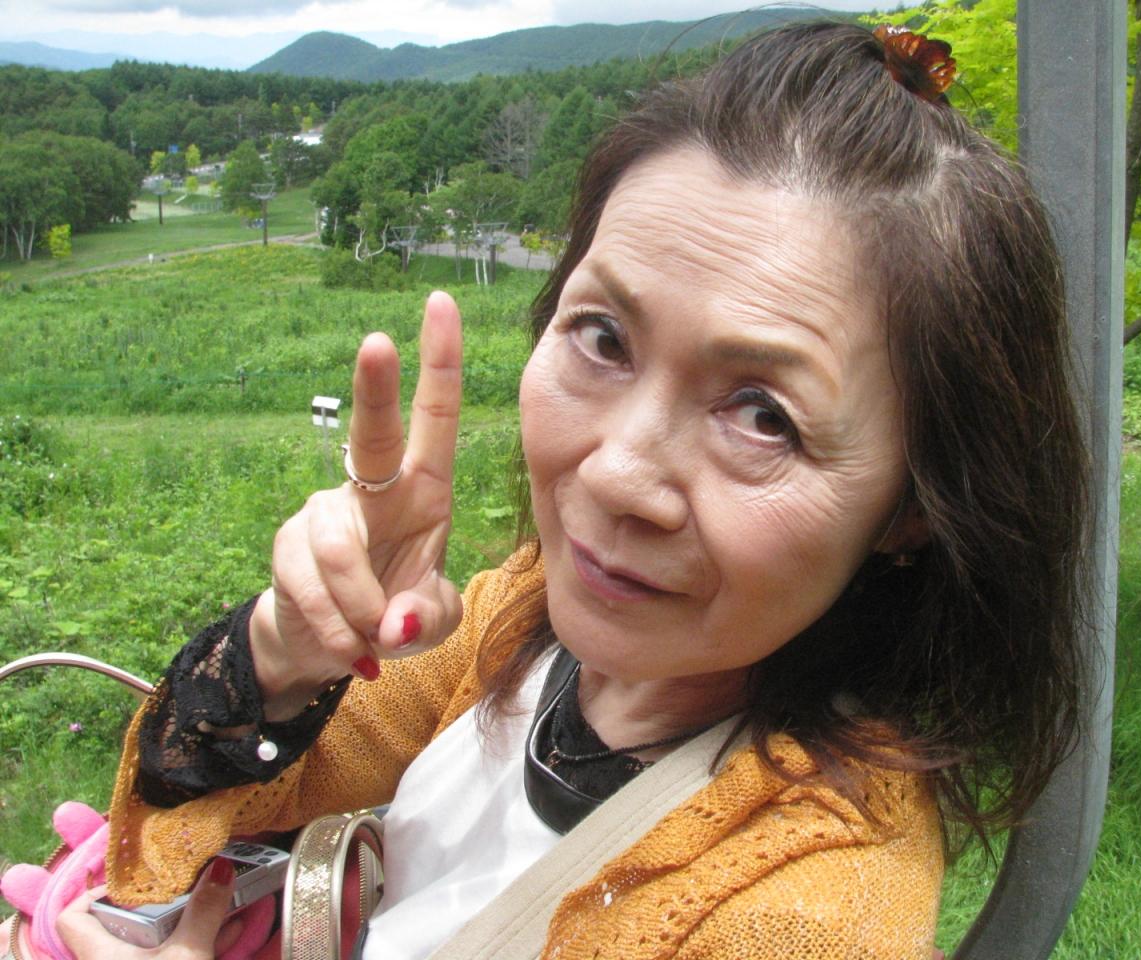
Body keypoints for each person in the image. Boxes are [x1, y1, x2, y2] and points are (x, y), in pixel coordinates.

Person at [55, 20, 1087, 960]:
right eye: (603, 337)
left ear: (913, 506)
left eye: (763, 416)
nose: (615, 474)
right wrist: (287, 654)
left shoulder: (805, 916)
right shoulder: (522, 620)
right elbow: (253, 800)